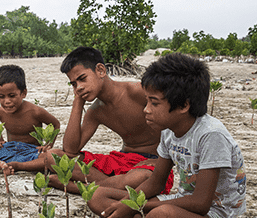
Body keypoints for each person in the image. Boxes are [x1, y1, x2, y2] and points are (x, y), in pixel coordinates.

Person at [94, 53, 246, 218]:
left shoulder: (211, 135)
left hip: (215, 215)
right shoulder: (168, 131)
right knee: (99, 196)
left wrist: (133, 206)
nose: (145, 110)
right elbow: (156, 182)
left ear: (183, 105)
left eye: (154, 103)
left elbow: (201, 203)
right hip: (182, 201)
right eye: (146, 101)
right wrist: (129, 203)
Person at [48, 47, 174, 193]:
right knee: (53, 156)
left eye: (82, 79)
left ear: (101, 70)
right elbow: (70, 150)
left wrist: (164, 160)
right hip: (121, 161)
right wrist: (77, 104)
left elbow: (173, 120)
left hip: (153, 161)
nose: (79, 87)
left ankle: (80, 188)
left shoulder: (137, 91)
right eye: (74, 84)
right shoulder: (95, 111)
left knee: (141, 177)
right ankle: (112, 184)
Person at [0, 64, 60, 175]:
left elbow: (55, 124)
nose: (7, 101)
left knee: (51, 158)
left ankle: (18, 166)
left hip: (31, 152)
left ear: (23, 93)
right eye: (2, 96)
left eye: (12, 95)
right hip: (7, 149)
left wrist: (49, 145)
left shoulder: (35, 111)